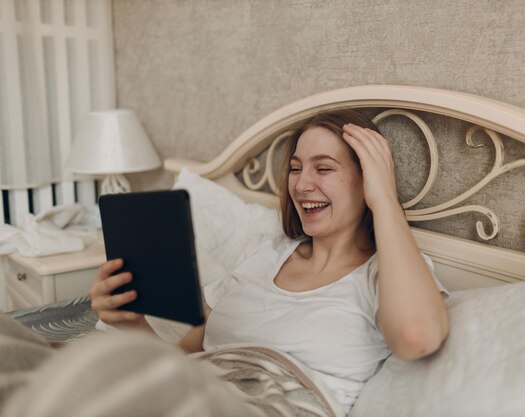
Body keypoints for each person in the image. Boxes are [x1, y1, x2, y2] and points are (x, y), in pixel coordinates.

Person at [88, 109, 450, 413]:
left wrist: (384, 198)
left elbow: (416, 336)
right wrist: (132, 323)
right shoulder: (264, 251)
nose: (302, 185)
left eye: (323, 169)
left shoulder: (386, 275)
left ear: (368, 180)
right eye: (295, 168)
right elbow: (186, 357)